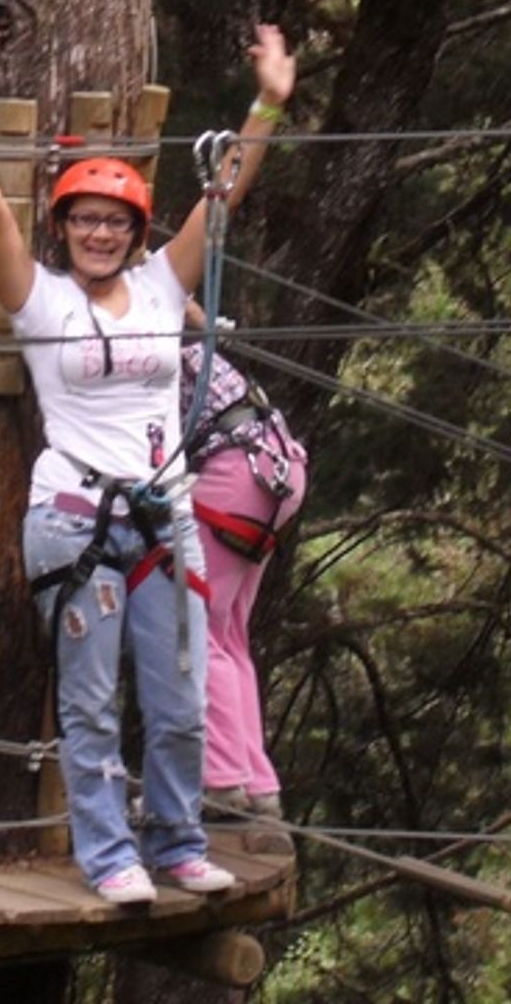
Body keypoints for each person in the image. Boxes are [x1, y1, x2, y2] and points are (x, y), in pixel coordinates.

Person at [0, 25, 296, 905]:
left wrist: (268, 106)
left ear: (135, 232)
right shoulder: (40, 302)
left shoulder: (163, 287)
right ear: (63, 229)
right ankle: (110, 854)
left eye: (115, 222)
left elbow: (222, 201)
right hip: (75, 520)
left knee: (180, 702)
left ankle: (178, 843)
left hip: (163, 518)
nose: (99, 233)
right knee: (88, 703)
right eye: (84, 219)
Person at [180, 306, 308, 820]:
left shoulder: (147, 345)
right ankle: (258, 784)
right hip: (276, 468)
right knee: (229, 633)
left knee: (197, 627)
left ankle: (221, 778)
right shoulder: (190, 344)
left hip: (239, 473)